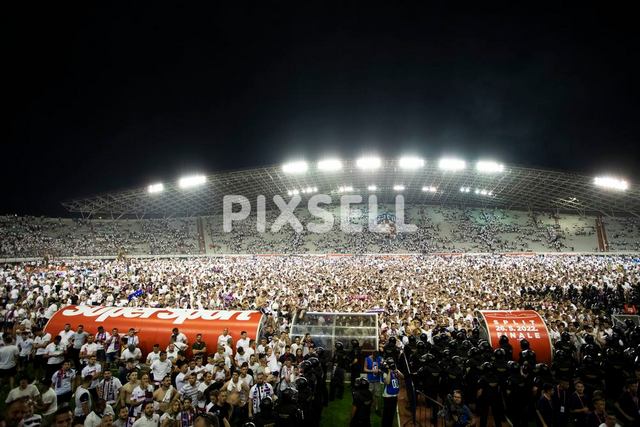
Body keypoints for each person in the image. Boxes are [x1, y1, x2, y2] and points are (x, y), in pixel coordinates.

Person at [381, 358, 403, 427]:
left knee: (392, 414)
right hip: (388, 396)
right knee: (386, 414)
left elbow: (403, 376)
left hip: (394, 396)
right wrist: (389, 371)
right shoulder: (385, 372)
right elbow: (387, 382)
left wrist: (396, 370)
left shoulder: (395, 371)